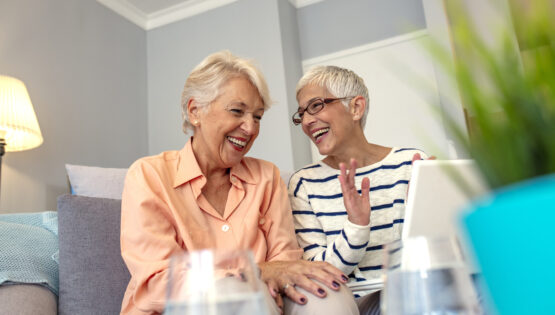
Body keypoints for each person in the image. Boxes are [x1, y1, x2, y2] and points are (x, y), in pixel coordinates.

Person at [120, 51, 359, 315]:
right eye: (237, 111)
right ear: (195, 110)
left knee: (325, 292)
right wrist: (255, 272)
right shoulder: (148, 176)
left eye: (257, 117)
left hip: (266, 305)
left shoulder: (267, 177)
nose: (250, 128)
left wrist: (274, 276)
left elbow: (287, 264)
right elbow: (158, 283)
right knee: (236, 296)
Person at [288, 65, 428, 314]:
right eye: (301, 114)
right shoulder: (304, 184)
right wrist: (356, 226)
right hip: (357, 304)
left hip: (416, 293)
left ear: (355, 107)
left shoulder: (411, 164)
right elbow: (317, 274)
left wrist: (427, 213)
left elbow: (434, 253)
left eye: (316, 105)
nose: (307, 121)